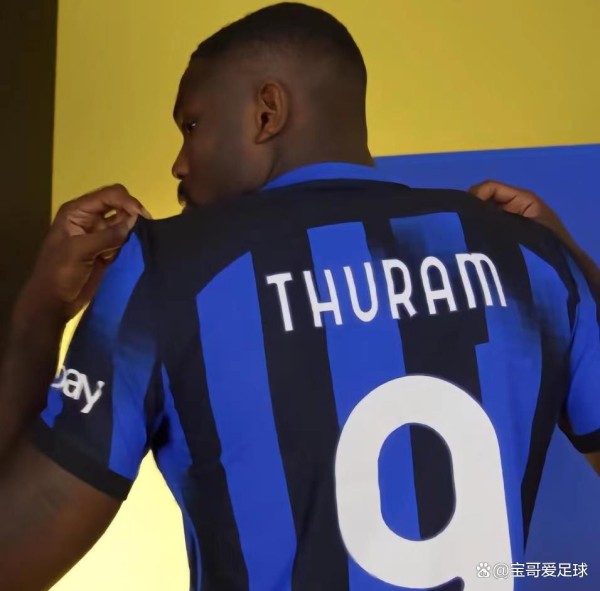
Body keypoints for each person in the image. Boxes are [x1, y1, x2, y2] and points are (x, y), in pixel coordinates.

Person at [0, 3, 598, 590]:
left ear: (267, 112)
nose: (179, 164)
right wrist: (571, 259)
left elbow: (15, 554)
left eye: (192, 126)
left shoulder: (166, 269)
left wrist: (40, 309)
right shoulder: (535, 262)